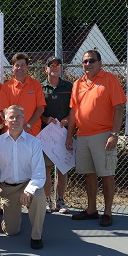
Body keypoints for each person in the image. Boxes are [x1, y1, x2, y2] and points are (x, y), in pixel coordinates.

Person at [66, 50, 126, 227]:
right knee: (89, 174)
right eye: (84, 61)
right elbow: (74, 111)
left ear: (100, 63)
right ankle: (91, 210)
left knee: (107, 174)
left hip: (104, 135)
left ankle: (107, 212)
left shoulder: (110, 80)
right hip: (83, 136)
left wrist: (114, 135)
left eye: (91, 61)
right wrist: (70, 135)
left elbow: (119, 108)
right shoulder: (77, 84)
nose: (87, 64)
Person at [0, 105, 46, 249]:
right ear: (5, 121)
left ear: (24, 119)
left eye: (18, 117)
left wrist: (29, 190)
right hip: (8, 189)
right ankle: (12, 217)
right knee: (11, 231)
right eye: (11, 117)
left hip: (28, 185)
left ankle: (36, 236)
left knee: (38, 196)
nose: (15, 120)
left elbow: (39, 173)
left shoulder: (34, 143)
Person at [41, 56, 72, 214]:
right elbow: (36, 110)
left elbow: (74, 109)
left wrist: (67, 120)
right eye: (51, 65)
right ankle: (48, 201)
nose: (54, 67)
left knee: (62, 168)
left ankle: (60, 201)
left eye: (57, 65)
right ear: (46, 68)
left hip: (63, 133)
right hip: (46, 135)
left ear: (61, 68)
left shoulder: (69, 86)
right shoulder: (40, 87)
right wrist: (46, 119)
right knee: (46, 168)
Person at [0, 53, 46, 136]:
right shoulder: (5, 87)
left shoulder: (36, 85)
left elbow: (40, 108)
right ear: (13, 68)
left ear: (27, 67)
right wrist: (14, 126)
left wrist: (28, 125)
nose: (20, 68)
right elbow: (4, 110)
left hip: (32, 132)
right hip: (12, 133)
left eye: (23, 65)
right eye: (17, 65)